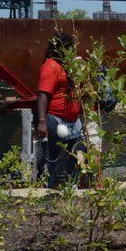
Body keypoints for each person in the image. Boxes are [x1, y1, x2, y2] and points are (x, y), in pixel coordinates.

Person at [36, 33, 85, 188]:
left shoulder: (66, 67)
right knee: (52, 157)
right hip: (54, 119)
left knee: (79, 154)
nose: (72, 51)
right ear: (61, 48)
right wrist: (42, 121)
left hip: (72, 121)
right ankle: (46, 189)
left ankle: (72, 187)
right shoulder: (50, 67)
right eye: (69, 48)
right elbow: (43, 94)